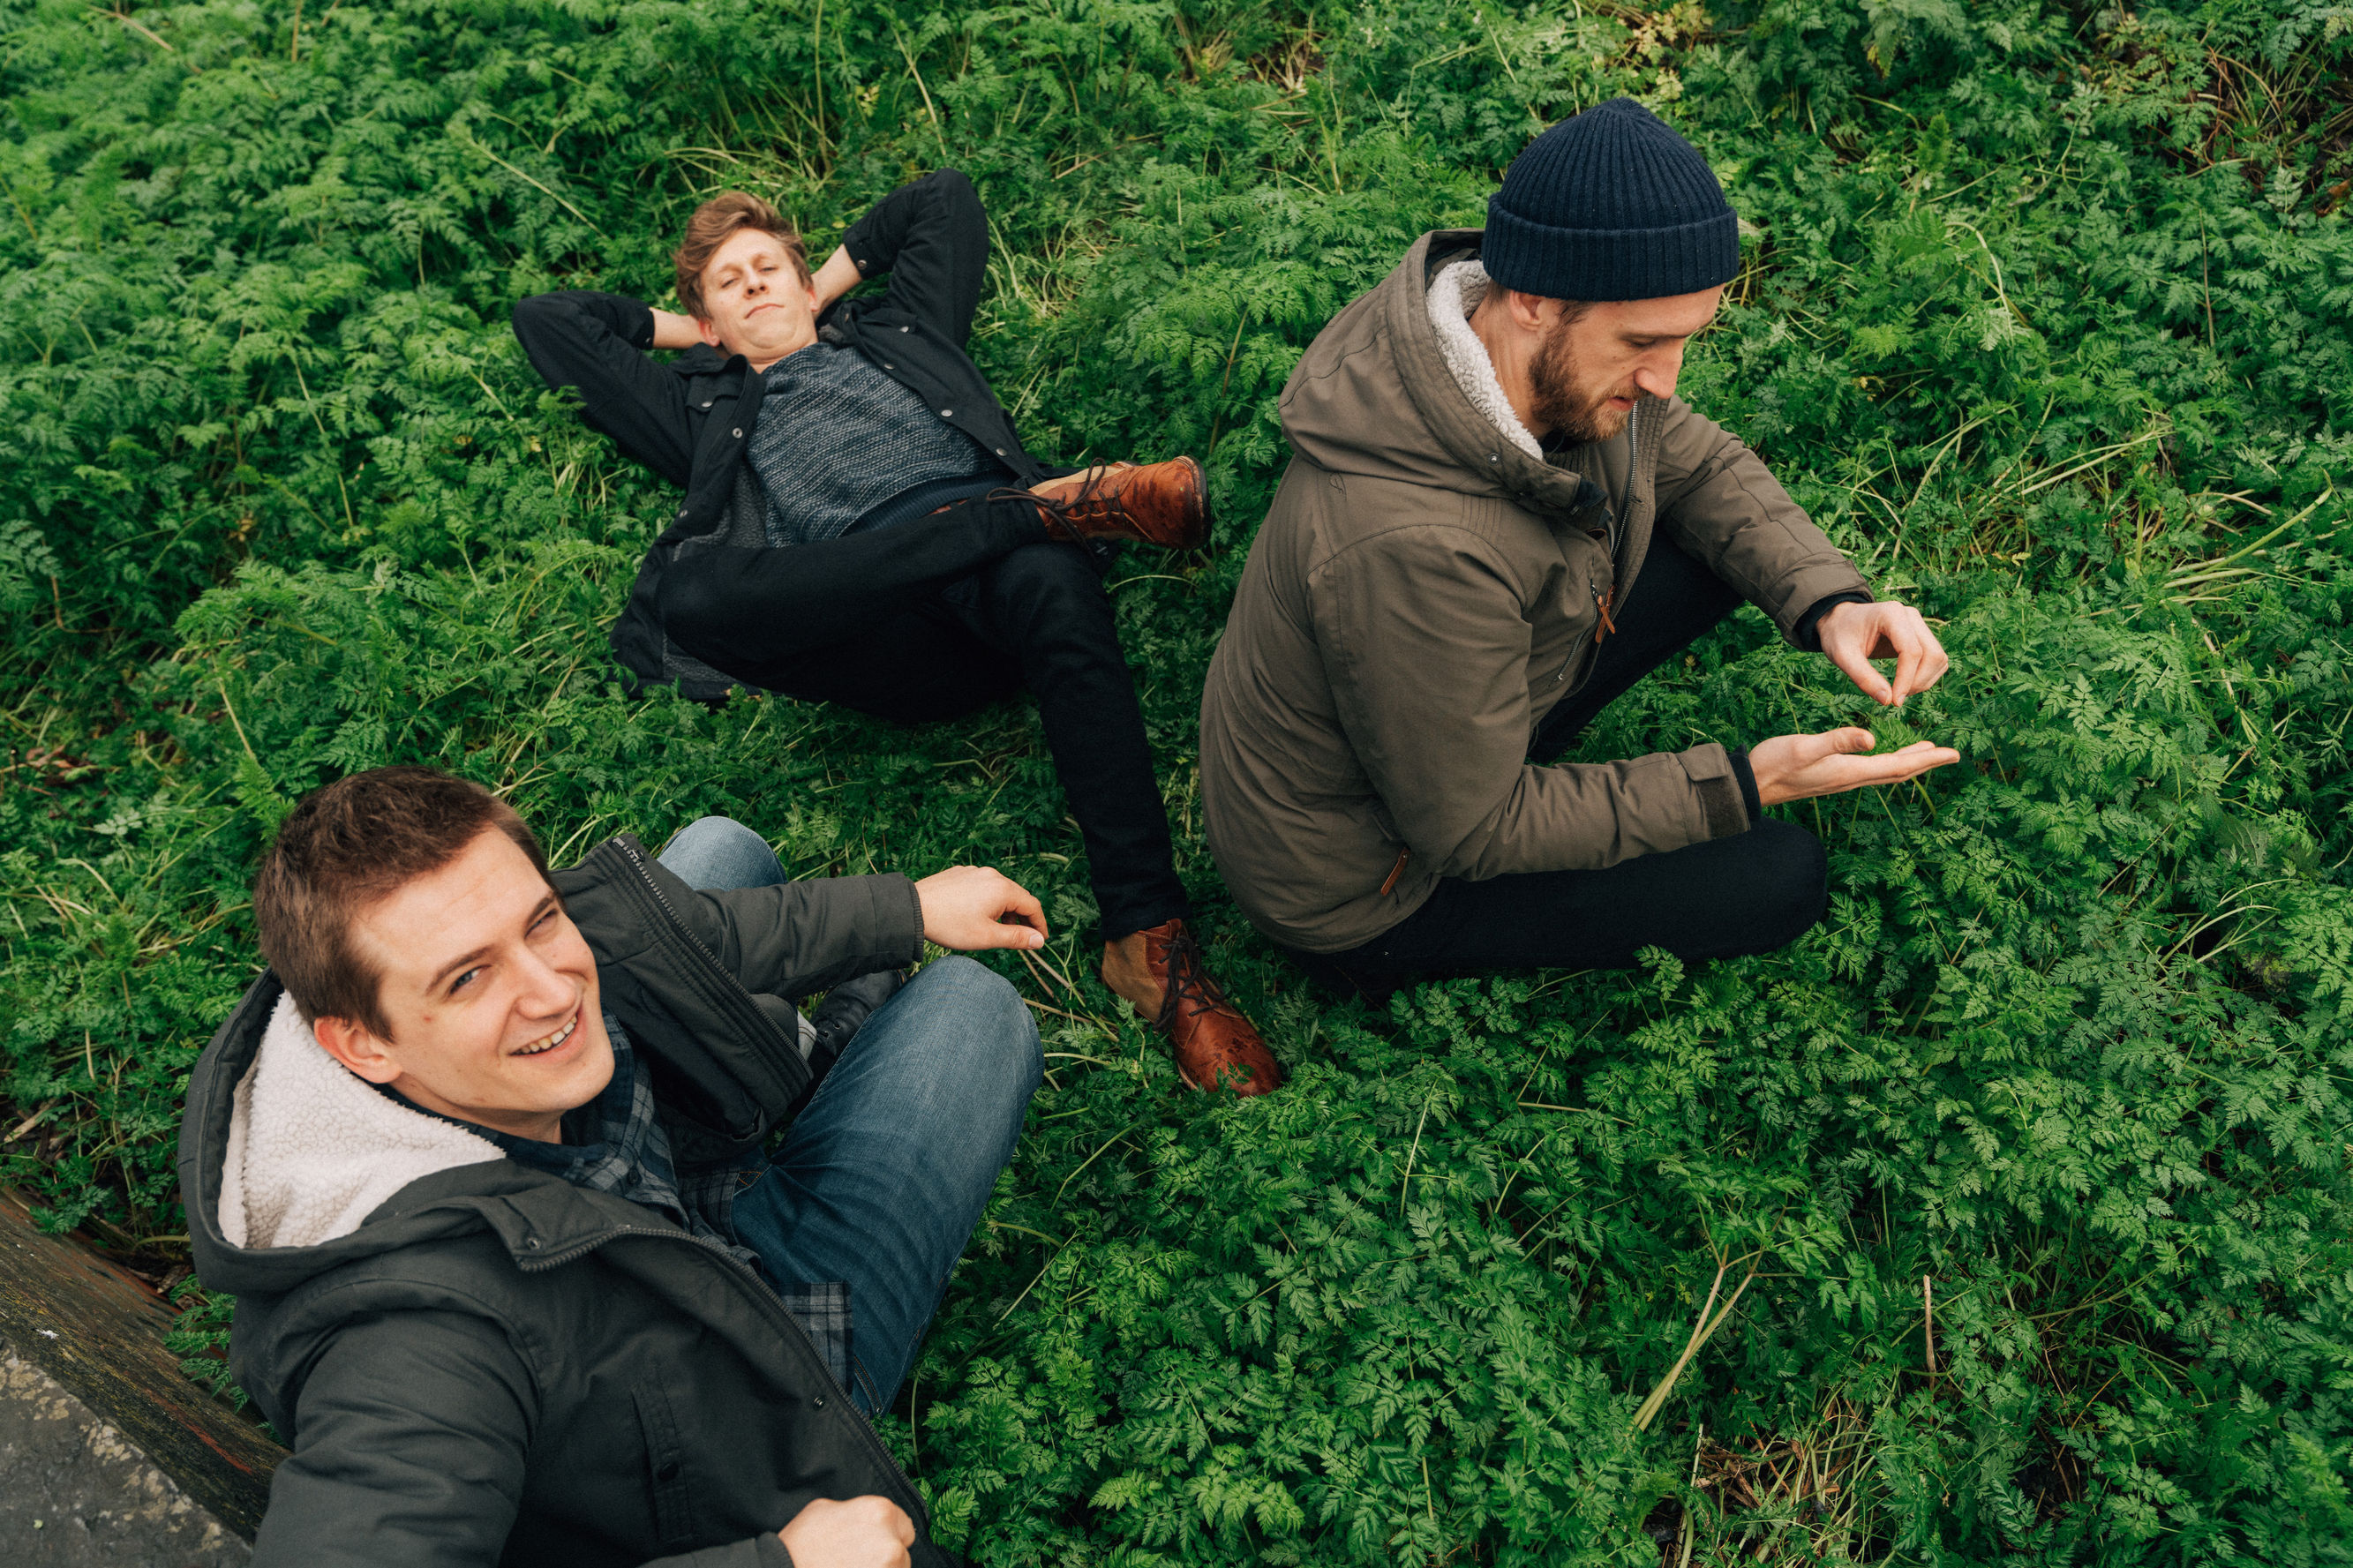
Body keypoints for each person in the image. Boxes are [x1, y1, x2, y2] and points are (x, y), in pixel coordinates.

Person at [513, 170, 1278, 1096]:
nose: (754, 282)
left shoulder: (898, 330)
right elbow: (548, 321)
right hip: (878, 617)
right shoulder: (700, 407)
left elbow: (944, 199)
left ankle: (1146, 944)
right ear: (708, 321)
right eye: (728, 281)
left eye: (768, 266)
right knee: (688, 592)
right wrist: (696, 335)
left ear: (806, 282)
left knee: (1047, 581)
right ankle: (1055, 512)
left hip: (1008, 580)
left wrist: (820, 284)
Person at [179, 765, 1056, 1565]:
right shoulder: (421, 1331)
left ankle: (816, 1058)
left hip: (676, 1204)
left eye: (539, 921)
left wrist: (907, 906)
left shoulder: (434, 977)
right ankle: (825, 1054)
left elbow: (667, 933)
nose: (553, 988)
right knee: (970, 1008)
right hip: (751, 1372)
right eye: (467, 979)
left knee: (721, 850)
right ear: (362, 1042)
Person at [1199, 99, 1961, 998]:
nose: (1664, 379)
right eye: (1641, 342)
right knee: (1776, 876)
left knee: (1713, 545)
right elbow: (1472, 831)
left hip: (1443, 703)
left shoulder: (1495, 350)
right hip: (1371, 881)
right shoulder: (1409, 545)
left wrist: (1828, 598)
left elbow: (1689, 459)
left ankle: (1519, 730)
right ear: (1533, 301)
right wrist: (1742, 784)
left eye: (1685, 338)